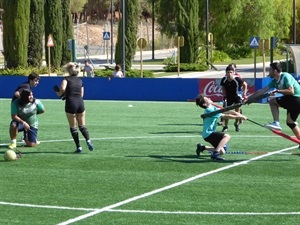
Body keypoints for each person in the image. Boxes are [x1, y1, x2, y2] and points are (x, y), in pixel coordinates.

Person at [245, 62, 300, 140]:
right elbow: (262, 91)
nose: (269, 72)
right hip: (293, 100)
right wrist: (249, 99)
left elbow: (291, 91)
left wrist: (277, 91)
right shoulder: (274, 81)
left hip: (296, 98)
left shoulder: (285, 76)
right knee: (290, 123)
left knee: (272, 101)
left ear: (275, 71)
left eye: (270, 70)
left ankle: (276, 123)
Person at [55, 62, 94, 153]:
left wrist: (60, 94)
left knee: (73, 127)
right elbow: (81, 94)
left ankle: (78, 147)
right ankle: (88, 140)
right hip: (80, 103)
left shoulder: (66, 79)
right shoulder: (80, 81)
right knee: (82, 125)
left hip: (71, 103)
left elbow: (63, 88)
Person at [195, 94, 247, 160]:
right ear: (205, 104)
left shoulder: (212, 107)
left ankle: (202, 147)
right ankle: (215, 154)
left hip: (208, 134)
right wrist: (240, 117)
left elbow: (225, 110)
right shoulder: (209, 111)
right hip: (208, 133)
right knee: (227, 136)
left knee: (223, 151)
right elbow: (224, 116)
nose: (208, 98)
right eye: (206, 99)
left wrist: (237, 113)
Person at [220, 65, 248, 132]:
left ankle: (237, 123)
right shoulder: (224, 79)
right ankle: (226, 126)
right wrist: (224, 94)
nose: (229, 74)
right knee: (227, 111)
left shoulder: (237, 79)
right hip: (228, 96)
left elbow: (245, 84)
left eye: (231, 72)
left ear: (233, 72)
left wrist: (244, 94)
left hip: (237, 96)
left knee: (237, 110)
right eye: (228, 72)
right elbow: (223, 87)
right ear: (226, 73)